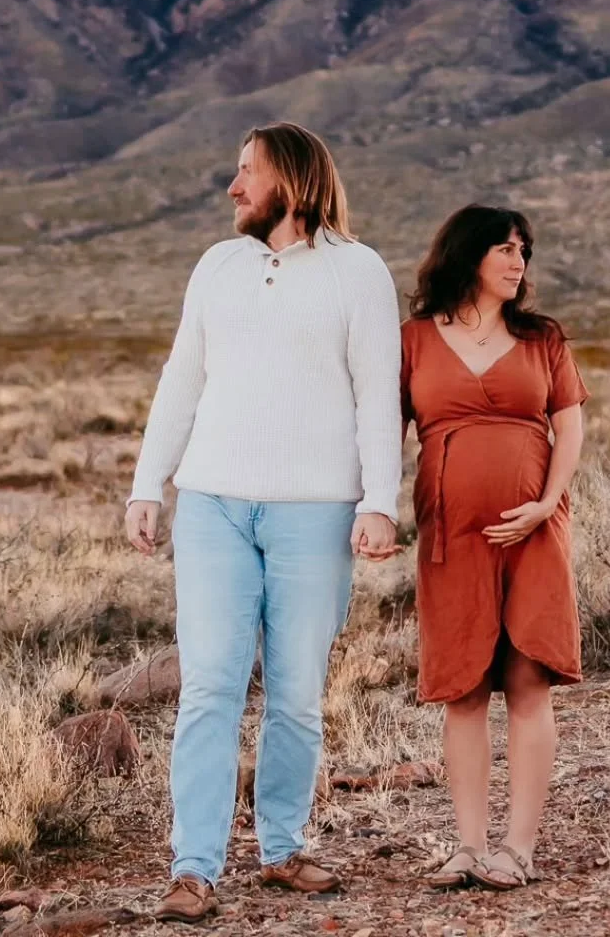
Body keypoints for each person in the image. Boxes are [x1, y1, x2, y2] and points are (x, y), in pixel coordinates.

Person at [125, 122, 402, 925]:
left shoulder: (358, 272)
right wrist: (149, 484)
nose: (233, 186)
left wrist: (379, 502)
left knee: (295, 693)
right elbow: (182, 378)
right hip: (212, 505)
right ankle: (193, 868)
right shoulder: (218, 265)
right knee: (209, 686)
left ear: (293, 180)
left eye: (248, 171)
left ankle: (282, 848)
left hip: (315, 512)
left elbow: (376, 394)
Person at [399, 204, 588, 891]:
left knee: (529, 677)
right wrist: (372, 510)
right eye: (505, 248)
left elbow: (569, 426)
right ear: (467, 254)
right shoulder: (416, 340)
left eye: (523, 250)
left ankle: (519, 848)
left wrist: (546, 503)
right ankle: (469, 847)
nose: (518, 261)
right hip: (451, 535)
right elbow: (383, 432)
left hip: (534, 531)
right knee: (465, 688)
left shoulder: (542, 338)